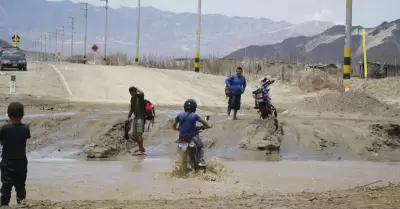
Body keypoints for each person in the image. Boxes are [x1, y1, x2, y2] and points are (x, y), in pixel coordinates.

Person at [0, 102, 31, 206]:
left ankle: (4, 205)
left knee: (6, 187)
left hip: (7, 163)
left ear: (8, 115)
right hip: (21, 162)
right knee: (21, 186)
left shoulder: (4, 129)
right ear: (22, 115)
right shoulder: (26, 128)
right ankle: (21, 204)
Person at [172, 99, 211, 167]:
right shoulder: (195, 116)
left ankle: (178, 160)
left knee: (180, 148)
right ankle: (201, 160)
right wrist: (207, 126)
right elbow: (205, 123)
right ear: (194, 108)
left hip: (183, 138)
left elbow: (174, 124)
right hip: (192, 137)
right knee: (201, 146)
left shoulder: (180, 114)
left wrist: (176, 129)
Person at [127, 86, 146, 155]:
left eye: (133, 93)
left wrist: (137, 89)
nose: (132, 94)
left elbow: (142, 93)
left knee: (139, 134)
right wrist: (128, 116)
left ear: (135, 92)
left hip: (141, 118)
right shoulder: (132, 99)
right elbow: (131, 109)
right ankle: (141, 147)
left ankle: (141, 150)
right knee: (133, 135)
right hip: (136, 118)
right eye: (131, 93)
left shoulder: (140, 97)